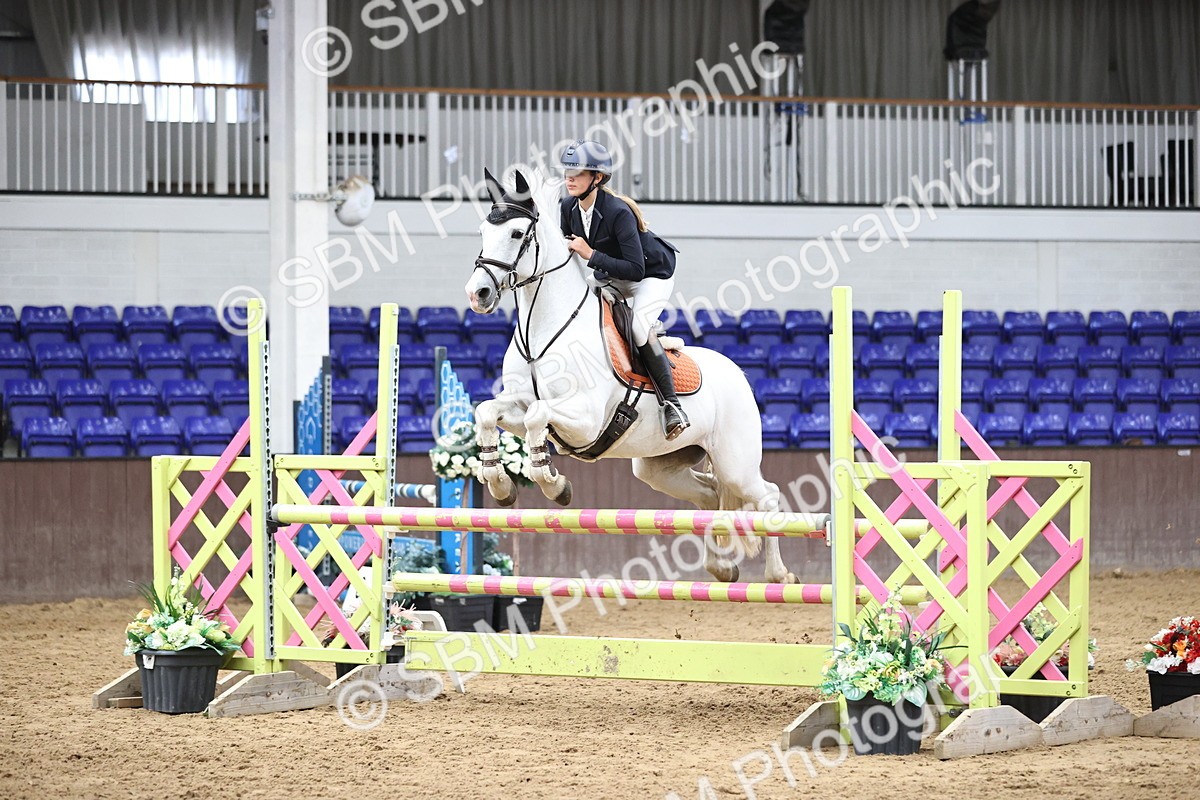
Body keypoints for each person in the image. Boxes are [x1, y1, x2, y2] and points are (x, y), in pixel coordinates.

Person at [557, 138, 690, 440]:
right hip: (610, 274)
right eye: (567, 171)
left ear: (597, 178)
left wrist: (591, 254)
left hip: (650, 275)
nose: (569, 178)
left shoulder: (618, 212)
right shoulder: (567, 207)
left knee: (638, 328)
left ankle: (671, 404)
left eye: (577, 172)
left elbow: (635, 269)